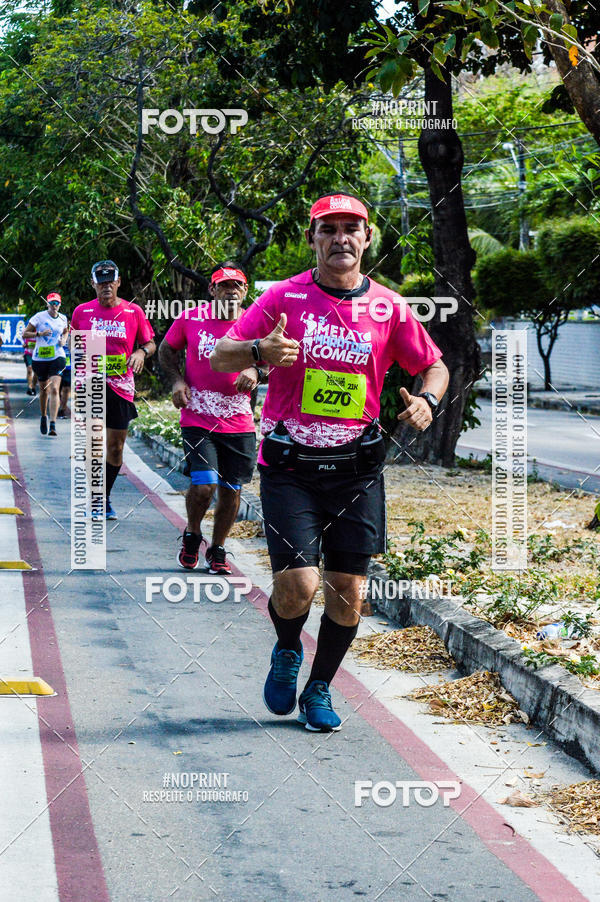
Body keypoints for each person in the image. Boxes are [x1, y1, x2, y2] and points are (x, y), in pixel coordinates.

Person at [211, 191, 449, 732]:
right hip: (291, 465)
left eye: (351, 228)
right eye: (328, 229)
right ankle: (287, 649)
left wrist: (428, 401)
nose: (340, 238)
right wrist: (259, 352)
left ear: (366, 239)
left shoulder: (388, 306)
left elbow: (433, 366)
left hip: (356, 469)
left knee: (348, 594)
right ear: (313, 239)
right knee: (298, 586)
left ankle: (319, 687)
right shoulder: (282, 297)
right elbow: (221, 354)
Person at [159, 262, 262, 573]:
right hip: (198, 418)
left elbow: (274, 358)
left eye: (236, 286)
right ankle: (192, 533)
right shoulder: (191, 318)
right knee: (205, 485)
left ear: (245, 291)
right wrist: (177, 381)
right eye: (223, 286)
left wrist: (255, 370)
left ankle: (217, 548)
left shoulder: (255, 322)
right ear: (212, 290)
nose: (230, 291)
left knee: (231, 490)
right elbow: (166, 350)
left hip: (239, 422)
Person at [70, 260, 155, 519]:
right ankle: (96, 499)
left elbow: (150, 342)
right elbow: (72, 344)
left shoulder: (133, 311)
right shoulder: (82, 312)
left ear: (118, 282)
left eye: (110, 281)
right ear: (93, 283)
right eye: (101, 282)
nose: (106, 286)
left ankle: (104, 495)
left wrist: (141, 353)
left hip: (121, 385)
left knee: (116, 447)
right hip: (91, 383)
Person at [22, 292, 69, 436]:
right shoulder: (39, 317)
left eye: (57, 303)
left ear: (60, 304)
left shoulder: (63, 318)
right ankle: (44, 416)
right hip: (40, 358)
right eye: (52, 303)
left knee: (55, 388)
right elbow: (25, 333)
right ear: (47, 304)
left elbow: (66, 331)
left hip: (57, 356)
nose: (54, 306)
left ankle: (53, 424)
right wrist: (39, 334)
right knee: (44, 390)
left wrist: (64, 340)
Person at [58, 332, 71, 417]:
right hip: (57, 364)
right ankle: (58, 405)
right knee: (56, 389)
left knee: (66, 388)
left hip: (69, 366)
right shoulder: (56, 332)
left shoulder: (74, 334)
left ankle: (62, 409)